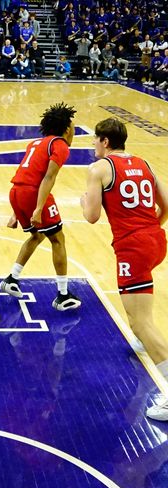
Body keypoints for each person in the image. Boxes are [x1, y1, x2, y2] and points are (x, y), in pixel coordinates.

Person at [81, 118, 168, 421]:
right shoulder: (144, 163)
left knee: (140, 323)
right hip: (156, 240)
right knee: (139, 316)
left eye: (95, 140)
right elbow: (167, 202)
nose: (93, 145)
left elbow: (91, 217)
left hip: (133, 246)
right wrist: (151, 229)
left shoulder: (100, 168)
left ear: (105, 141)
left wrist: (83, 201)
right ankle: (144, 341)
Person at [0, 103, 82, 311]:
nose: (74, 131)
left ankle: (12, 278)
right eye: (73, 127)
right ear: (66, 129)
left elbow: (25, 174)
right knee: (57, 239)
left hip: (16, 192)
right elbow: (48, 177)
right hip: (32, 193)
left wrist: (16, 211)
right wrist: (37, 208)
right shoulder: (60, 145)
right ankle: (63, 295)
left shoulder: (35, 143)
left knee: (37, 236)